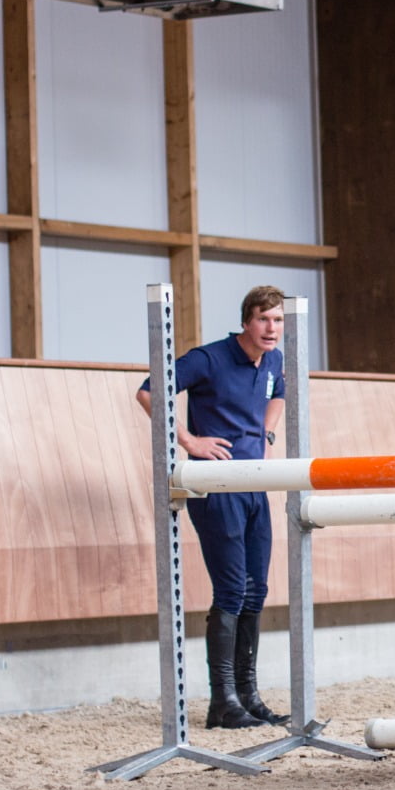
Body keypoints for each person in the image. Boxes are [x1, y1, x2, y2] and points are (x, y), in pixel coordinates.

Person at [136, 285, 289, 730]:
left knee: (256, 591)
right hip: (216, 487)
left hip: (255, 485)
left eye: (278, 320)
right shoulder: (209, 358)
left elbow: (278, 392)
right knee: (231, 592)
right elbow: (149, 392)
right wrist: (188, 441)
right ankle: (222, 702)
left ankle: (249, 696)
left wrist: (268, 432)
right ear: (246, 321)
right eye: (264, 319)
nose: (271, 328)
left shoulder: (274, 359)